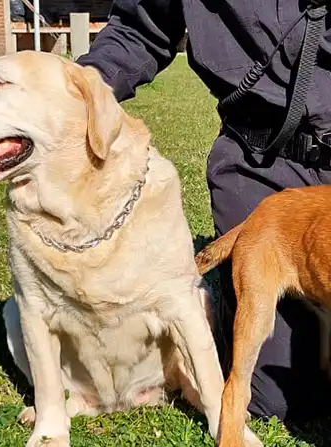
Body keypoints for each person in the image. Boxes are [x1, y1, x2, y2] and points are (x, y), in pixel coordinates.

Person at [76, 0, 331, 421]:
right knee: (285, 400)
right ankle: (210, 305)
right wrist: (75, 92)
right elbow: (139, 28)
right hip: (261, 159)